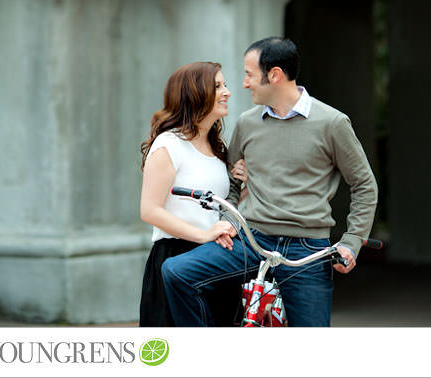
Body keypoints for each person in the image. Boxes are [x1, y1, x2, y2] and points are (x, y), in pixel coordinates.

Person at [161, 37, 379, 327]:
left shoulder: (332, 123)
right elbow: (232, 181)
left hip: (309, 249)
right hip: (252, 239)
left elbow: (364, 184)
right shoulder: (247, 123)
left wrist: (351, 241)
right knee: (177, 272)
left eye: (249, 74)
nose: (244, 83)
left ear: (274, 75)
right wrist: (232, 219)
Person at [138, 61, 248, 327]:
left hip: (215, 259)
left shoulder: (216, 146)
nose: (227, 92)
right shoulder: (169, 144)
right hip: (175, 257)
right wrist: (202, 234)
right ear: (195, 94)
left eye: (225, 85)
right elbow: (150, 210)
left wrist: (243, 189)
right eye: (218, 86)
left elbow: (216, 208)